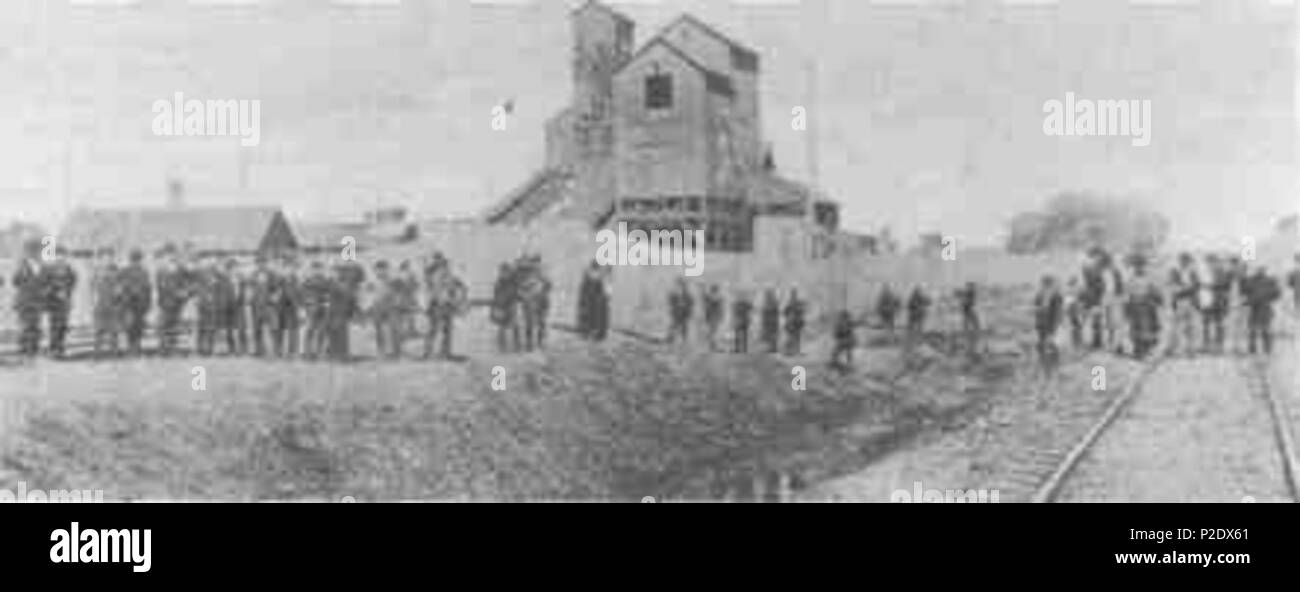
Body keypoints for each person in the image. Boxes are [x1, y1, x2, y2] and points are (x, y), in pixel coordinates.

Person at [425, 258, 467, 359]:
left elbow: (460, 287)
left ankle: (445, 352)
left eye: (445, 266)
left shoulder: (450, 277)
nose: (444, 269)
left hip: (446, 306)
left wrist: (456, 300)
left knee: (447, 331)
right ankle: (428, 352)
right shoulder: (434, 277)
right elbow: (434, 292)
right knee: (434, 330)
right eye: (442, 267)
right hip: (437, 306)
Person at [40, 246, 77, 358]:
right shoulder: (48, 269)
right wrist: (55, 291)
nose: (61, 258)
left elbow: (73, 282)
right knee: (54, 326)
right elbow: (44, 284)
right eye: (58, 255)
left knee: (63, 326)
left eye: (63, 255)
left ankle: (60, 349)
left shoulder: (69, 269)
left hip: (65, 302)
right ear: (55, 256)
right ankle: (53, 349)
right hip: (53, 303)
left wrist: (67, 292)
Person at [1124, 255, 1163, 360]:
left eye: (1141, 266)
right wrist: (1127, 306)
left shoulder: (1149, 278)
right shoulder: (1130, 278)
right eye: (1137, 266)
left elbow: (1155, 291)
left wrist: (1157, 299)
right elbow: (1128, 293)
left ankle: (1146, 350)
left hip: (1147, 306)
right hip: (1134, 305)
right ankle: (1138, 350)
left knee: (1147, 328)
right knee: (1135, 328)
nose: (1139, 268)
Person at [155, 247, 192, 356]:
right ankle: (163, 350)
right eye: (168, 255)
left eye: (173, 255)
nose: (171, 257)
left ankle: (172, 349)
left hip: (177, 304)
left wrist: (186, 293)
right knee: (163, 328)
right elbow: (162, 287)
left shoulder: (181, 270)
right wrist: (177, 293)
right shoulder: (161, 271)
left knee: (174, 328)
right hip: (165, 304)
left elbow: (190, 282)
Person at [11, 238, 45, 356]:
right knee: (25, 325)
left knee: (35, 325)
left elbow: (45, 282)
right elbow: (15, 281)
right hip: (24, 301)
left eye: (37, 251)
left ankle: (33, 348)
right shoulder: (22, 265)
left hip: (37, 301)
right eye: (32, 251)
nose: (35, 254)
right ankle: (24, 348)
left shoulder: (42, 266)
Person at [118, 249, 153, 356]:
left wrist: (148, 303)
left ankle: (136, 348)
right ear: (130, 260)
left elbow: (148, 288)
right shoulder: (124, 271)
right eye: (134, 259)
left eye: (138, 259)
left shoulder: (144, 272)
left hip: (140, 304)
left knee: (138, 327)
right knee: (130, 327)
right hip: (128, 303)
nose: (136, 262)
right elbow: (120, 286)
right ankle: (131, 349)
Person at [1167, 252, 1200, 357]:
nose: (1184, 262)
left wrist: (1185, 288)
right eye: (1183, 260)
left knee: (1190, 327)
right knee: (1175, 327)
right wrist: (1186, 288)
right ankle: (1173, 348)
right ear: (1179, 261)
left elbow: (1196, 286)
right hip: (1179, 302)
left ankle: (1190, 349)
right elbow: (1173, 287)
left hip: (1190, 301)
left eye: (1186, 261)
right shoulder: (1174, 271)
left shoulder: (1193, 273)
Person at [1243, 266, 1281, 355]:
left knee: (1265, 330)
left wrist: (1267, 299)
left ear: (1265, 270)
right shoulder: (1251, 281)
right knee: (1252, 331)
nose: (1260, 271)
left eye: (1262, 269)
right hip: (1255, 309)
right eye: (1258, 269)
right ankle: (1252, 349)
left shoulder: (1270, 281)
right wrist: (1249, 301)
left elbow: (1277, 294)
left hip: (1265, 309)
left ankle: (1267, 349)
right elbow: (1245, 291)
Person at [247, 255, 280, 357]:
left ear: (266, 263)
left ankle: (275, 350)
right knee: (257, 329)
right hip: (256, 306)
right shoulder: (254, 274)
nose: (261, 265)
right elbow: (250, 288)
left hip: (268, 306)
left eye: (263, 262)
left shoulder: (272, 274)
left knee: (273, 328)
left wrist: (274, 297)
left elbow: (277, 289)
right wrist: (250, 297)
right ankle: (259, 350)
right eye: (259, 263)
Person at [91, 249, 121, 357]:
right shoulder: (96, 271)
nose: (107, 260)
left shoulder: (116, 271)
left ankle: (114, 353)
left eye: (109, 257)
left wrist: (118, 291)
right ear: (100, 259)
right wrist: (94, 302)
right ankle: (97, 353)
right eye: (104, 258)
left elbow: (120, 286)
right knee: (99, 330)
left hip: (113, 304)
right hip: (100, 304)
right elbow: (93, 287)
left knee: (114, 331)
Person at [326, 263, 358, 361]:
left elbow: (352, 300)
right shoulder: (331, 284)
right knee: (333, 333)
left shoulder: (346, 285)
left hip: (342, 313)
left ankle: (342, 354)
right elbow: (328, 299)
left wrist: (352, 312)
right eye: (335, 272)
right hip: (333, 312)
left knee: (342, 334)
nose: (337, 274)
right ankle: (333, 353)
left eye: (338, 272)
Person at [300, 260, 332, 359]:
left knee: (322, 331)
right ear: (311, 270)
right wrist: (304, 307)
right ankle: (307, 352)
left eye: (319, 269)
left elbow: (329, 294)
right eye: (315, 269)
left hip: (323, 308)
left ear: (322, 270)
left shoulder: (326, 281)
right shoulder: (307, 282)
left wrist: (327, 302)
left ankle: (319, 351)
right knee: (309, 330)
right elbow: (302, 295)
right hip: (311, 309)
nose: (317, 271)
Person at [1033, 275, 1064, 373]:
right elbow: (1037, 309)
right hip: (1042, 325)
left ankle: (1054, 366)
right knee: (1042, 344)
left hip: (1051, 325)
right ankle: (1044, 364)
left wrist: (1055, 326)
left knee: (1053, 345)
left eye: (1046, 283)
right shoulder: (1040, 295)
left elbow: (1058, 312)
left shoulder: (1056, 295)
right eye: (1044, 283)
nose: (1044, 285)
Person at [1202, 254, 1231, 354]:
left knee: (1218, 324)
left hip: (1218, 301)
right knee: (1206, 324)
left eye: (1212, 262)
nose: (1210, 264)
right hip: (1206, 301)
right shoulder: (1205, 273)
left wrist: (1211, 286)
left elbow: (1225, 286)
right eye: (1208, 262)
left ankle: (1219, 346)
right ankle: (1207, 346)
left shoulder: (1221, 272)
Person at [492, 262, 520, 351]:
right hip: (502, 306)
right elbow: (496, 295)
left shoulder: (513, 282)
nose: (504, 274)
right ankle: (502, 346)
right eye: (502, 272)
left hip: (511, 305)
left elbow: (516, 293)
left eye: (505, 272)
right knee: (502, 326)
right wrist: (497, 306)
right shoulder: (499, 283)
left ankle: (516, 345)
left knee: (514, 325)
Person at [666, 278, 694, 345]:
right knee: (674, 326)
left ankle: (684, 341)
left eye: (681, 284)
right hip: (676, 313)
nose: (680, 286)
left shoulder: (687, 294)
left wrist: (686, 308)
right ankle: (670, 340)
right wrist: (676, 306)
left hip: (684, 314)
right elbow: (671, 303)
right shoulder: (673, 294)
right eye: (678, 284)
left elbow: (691, 303)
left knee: (683, 328)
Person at [955, 281, 979, 352]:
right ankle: (969, 342)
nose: (972, 288)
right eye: (971, 286)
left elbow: (967, 302)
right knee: (970, 326)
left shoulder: (970, 293)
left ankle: (970, 342)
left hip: (968, 311)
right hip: (967, 311)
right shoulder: (969, 293)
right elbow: (966, 302)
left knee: (971, 326)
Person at [783, 288, 806, 356]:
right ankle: (789, 351)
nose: (794, 295)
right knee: (791, 337)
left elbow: (801, 312)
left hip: (796, 324)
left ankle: (795, 351)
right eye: (793, 294)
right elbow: (785, 313)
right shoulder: (790, 304)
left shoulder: (796, 304)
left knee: (796, 338)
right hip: (791, 323)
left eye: (794, 294)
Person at [701, 284, 724, 351]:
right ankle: (712, 345)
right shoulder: (715, 298)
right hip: (712, 316)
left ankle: (712, 344)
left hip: (713, 316)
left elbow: (720, 308)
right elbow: (719, 307)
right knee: (713, 331)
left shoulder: (714, 298)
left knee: (713, 331)